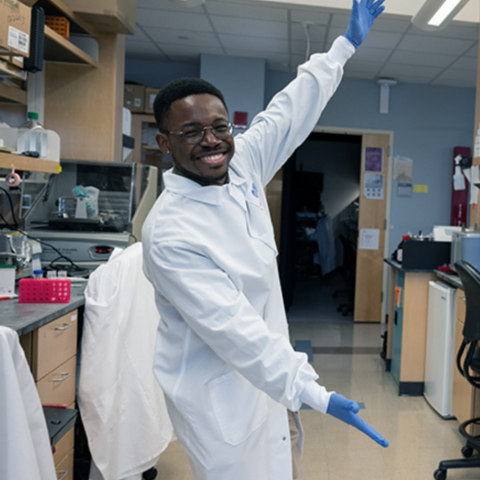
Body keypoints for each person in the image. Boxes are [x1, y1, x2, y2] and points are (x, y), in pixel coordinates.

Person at [142, 1, 388, 479]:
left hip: (274, 384)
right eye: (192, 132)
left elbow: (290, 109)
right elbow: (235, 329)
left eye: (219, 126)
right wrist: (313, 390)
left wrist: (346, 45)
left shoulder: (242, 168)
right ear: (164, 142)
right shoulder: (171, 232)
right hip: (224, 401)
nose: (211, 141)